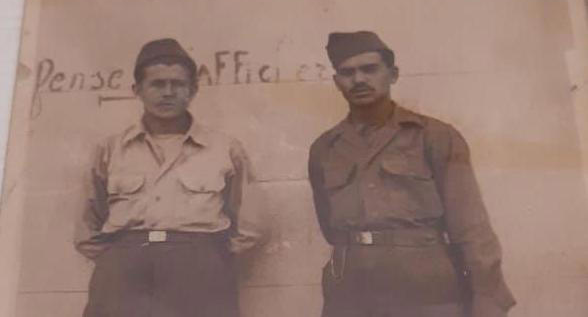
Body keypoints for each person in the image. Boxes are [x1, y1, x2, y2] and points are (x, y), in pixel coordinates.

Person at [308, 31, 516, 317]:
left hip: (425, 285)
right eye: (347, 73)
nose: (358, 80)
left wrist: (486, 296)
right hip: (351, 290)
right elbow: (330, 227)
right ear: (336, 82)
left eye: (369, 69)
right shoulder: (324, 148)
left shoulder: (434, 136)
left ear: (392, 75)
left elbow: (470, 226)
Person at [74, 38, 261, 317]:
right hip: (124, 271)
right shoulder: (110, 149)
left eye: (178, 84)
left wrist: (210, 258)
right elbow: (88, 222)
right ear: (137, 90)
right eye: (158, 84)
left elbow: (250, 223)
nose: (168, 93)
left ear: (193, 90)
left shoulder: (224, 148)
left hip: (199, 268)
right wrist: (119, 258)